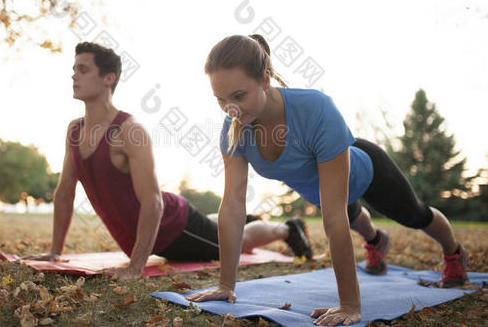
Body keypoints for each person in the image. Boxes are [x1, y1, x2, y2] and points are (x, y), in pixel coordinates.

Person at [186, 34, 469, 326]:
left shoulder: (316, 109)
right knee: (352, 214)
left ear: (266, 79)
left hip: (367, 171)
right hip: (323, 191)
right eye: (220, 99)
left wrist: (349, 304)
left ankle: (454, 253)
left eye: (239, 96)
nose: (230, 108)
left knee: (414, 214)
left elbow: (333, 218)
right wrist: (226, 285)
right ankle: (375, 241)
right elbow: (232, 206)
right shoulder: (234, 129)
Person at [22, 42, 313, 279]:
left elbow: (153, 203)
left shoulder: (129, 131)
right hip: (158, 230)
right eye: (74, 69)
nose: (74, 75)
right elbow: (64, 194)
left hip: (172, 226)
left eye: (83, 70)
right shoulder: (75, 130)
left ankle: (288, 228)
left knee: (237, 243)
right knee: (216, 228)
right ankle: (230, 222)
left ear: (108, 78)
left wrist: (135, 266)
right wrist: (54, 252)